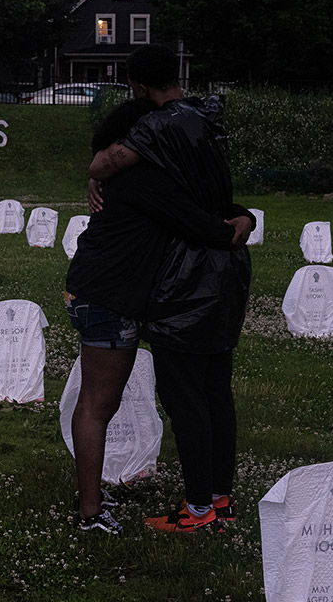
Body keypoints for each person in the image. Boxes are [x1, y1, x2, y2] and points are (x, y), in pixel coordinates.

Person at [66, 99, 253, 535]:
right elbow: (199, 222)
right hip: (107, 296)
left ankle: (93, 497)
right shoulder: (142, 179)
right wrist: (239, 223)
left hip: (114, 295)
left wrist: (241, 213)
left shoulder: (141, 177)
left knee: (102, 402)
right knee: (98, 403)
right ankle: (89, 513)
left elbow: (193, 202)